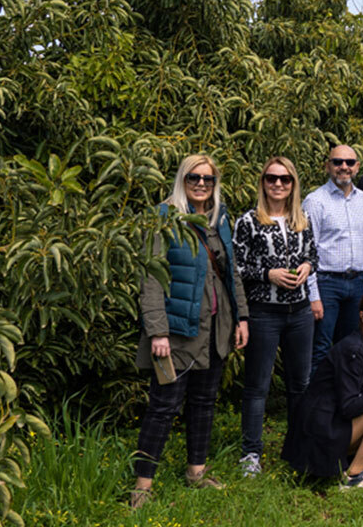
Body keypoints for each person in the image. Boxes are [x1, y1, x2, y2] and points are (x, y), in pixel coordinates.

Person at [131, 155, 249, 508]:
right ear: (182, 179)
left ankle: (196, 472)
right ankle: (142, 486)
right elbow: (150, 276)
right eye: (194, 177)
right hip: (177, 329)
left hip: (214, 328)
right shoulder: (163, 217)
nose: (201, 184)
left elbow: (232, 273)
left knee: (203, 403)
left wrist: (242, 318)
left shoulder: (219, 218)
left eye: (208, 179)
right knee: (164, 406)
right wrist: (157, 331)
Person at [232, 156, 318, 478]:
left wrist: (307, 267)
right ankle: (251, 453)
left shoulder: (302, 218)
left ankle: (296, 445)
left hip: (300, 311)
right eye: (272, 178)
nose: (278, 184)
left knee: (300, 383)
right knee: (257, 386)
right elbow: (236, 267)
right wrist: (269, 273)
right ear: (263, 182)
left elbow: (312, 255)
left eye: (285, 179)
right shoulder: (249, 221)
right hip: (264, 312)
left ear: (293, 184)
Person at [281, 290, 363, 490]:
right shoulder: (354, 348)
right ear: (362, 316)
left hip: (331, 425)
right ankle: (355, 475)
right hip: (320, 433)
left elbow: (361, 376)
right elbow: (349, 407)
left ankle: (344, 461)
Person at [303, 145, 363, 373]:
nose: (344, 167)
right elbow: (307, 251)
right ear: (328, 165)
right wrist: (313, 295)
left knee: (352, 348)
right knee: (319, 347)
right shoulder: (315, 201)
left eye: (349, 162)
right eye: (338, 162)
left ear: (357, 166)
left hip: (357, 283)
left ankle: (345, 404)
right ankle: (315, 405)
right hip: (326, 283)